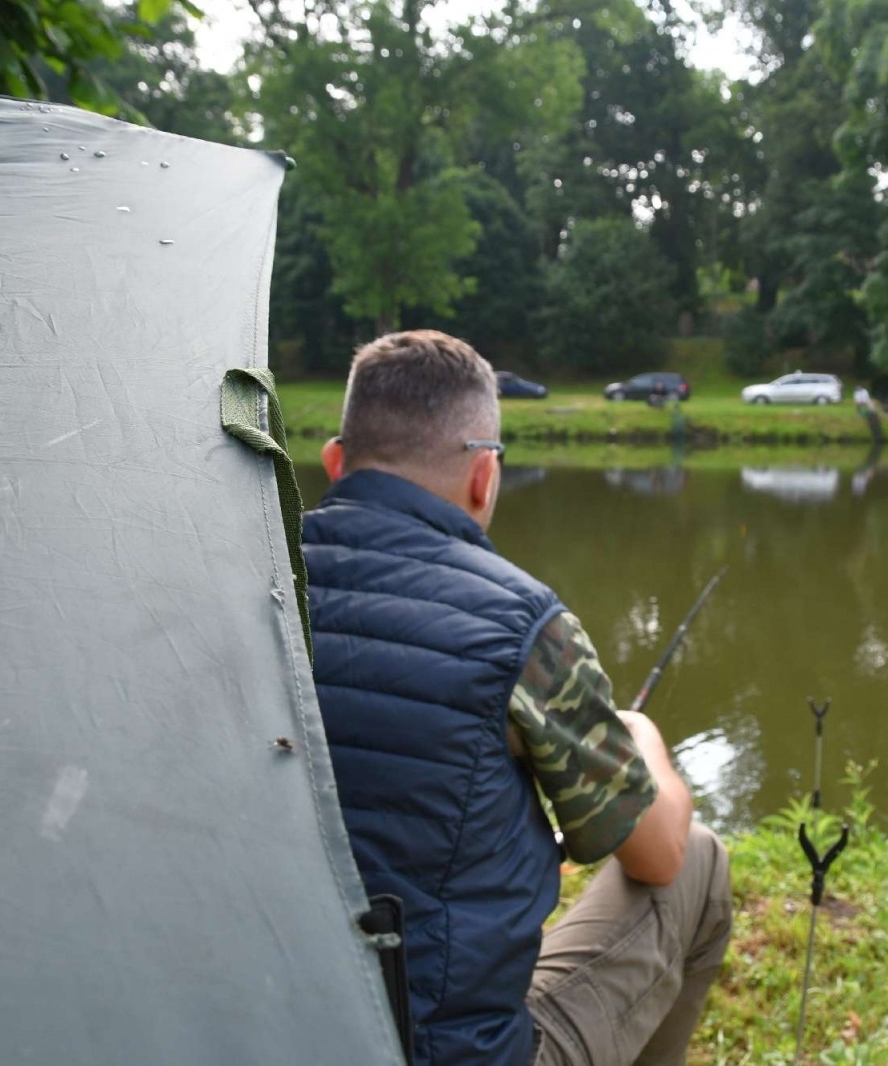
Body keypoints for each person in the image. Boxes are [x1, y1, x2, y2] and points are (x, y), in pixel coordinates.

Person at [304, 331, 732, 1066]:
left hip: (264, 1027)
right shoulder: (522, 626)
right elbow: (656, 855)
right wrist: (641, 737)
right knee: (697, 858)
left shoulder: (240, 584)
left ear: (335, 462)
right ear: (484, 475)